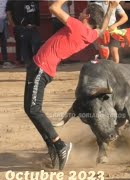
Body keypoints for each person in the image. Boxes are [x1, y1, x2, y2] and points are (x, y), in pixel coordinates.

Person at [23, 0, 118, 170]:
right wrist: (111, 9)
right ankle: (53, 147)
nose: (79, 13)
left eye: (82, 12)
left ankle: (59, 145)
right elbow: (102, 29)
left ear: (87, 16)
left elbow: (53, 7)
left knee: (33, 109)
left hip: (41, 68)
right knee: (31, 109)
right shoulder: (89, 35)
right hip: (43, 68)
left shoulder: (77, 26)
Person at [6, 0, 42, 67]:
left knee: (36, 42)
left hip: (33, 26)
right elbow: (8, 13)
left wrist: (36, 23)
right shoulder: (12, 1)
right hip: (20, 26)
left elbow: (36, 11)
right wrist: (14, 25)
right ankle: (24, 61)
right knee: (22, 45)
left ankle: (34, 61)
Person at [0, 0, 14, 68]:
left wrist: (9, 21)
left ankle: (5, 60)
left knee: (4, 42)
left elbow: (8, 11)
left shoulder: (7, 1)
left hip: (3, 22)